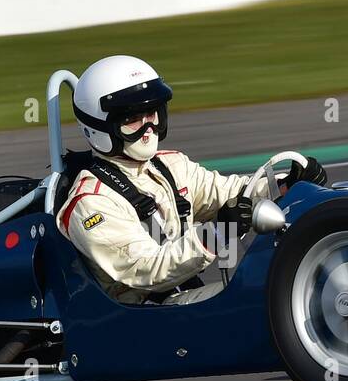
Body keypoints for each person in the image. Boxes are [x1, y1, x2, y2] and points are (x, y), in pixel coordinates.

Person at [57, 54, 329, 304]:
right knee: (272, 296)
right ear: (99, 128)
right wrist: (218, 233)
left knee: (298, 276)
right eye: (132, 119)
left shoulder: (170, 165)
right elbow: (148, 269)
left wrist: (285, 184)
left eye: (151, 114)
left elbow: (227, 192)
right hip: (143, 319)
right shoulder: (91, 203)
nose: (148, 129)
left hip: (185, 300)